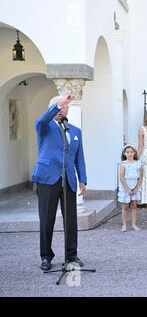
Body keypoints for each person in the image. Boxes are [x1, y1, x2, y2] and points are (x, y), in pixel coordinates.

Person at [32, 94, 86, 271]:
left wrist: (82, 179)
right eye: (58, 106)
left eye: (64, 106)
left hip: (68, 179)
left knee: (71, 220)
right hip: (48, 178)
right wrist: (57, 104)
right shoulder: (45, 126)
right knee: (47, 219)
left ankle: (71, 255)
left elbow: (79, 157)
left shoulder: (75, 131)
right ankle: (46, 256)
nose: (62, 109)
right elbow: (41, 120)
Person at [118, 144, 143, 232]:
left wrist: (136, 188)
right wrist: (127, 189)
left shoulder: (138, 164)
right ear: (124, 154)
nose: (129, 154)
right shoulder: (123, 164)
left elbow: (141, 177)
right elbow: (121, 178)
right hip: (126, 187)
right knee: (125, 206)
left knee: (134, 206)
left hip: (135, 186)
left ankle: (134, 224)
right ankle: (124, 225)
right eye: (127, 152)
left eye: (131, 152)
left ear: (134, 153)